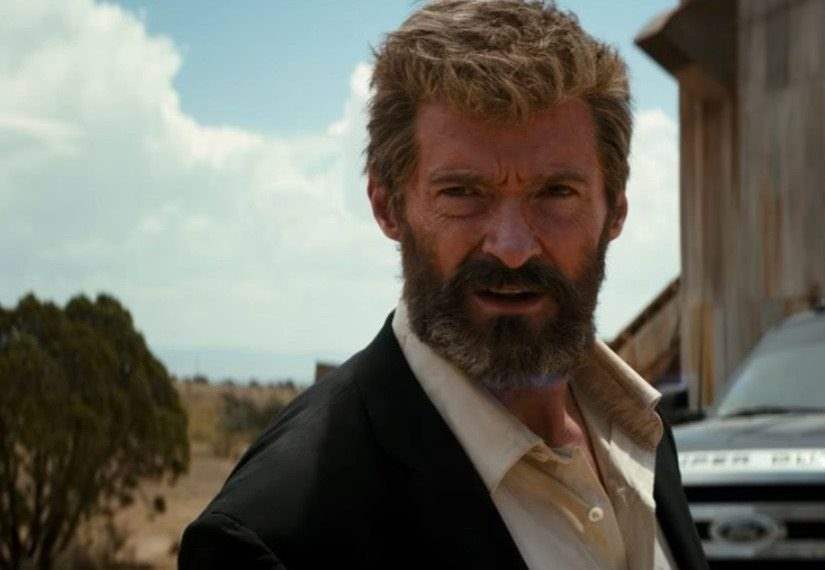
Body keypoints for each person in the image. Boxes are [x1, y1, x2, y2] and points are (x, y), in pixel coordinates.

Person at [179, 1, 706, 568]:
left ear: (615, 209)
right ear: (388, 206)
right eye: (462, 193)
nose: (512, 247)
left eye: (555, 192)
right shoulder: (273, 538)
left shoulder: (640, 440)